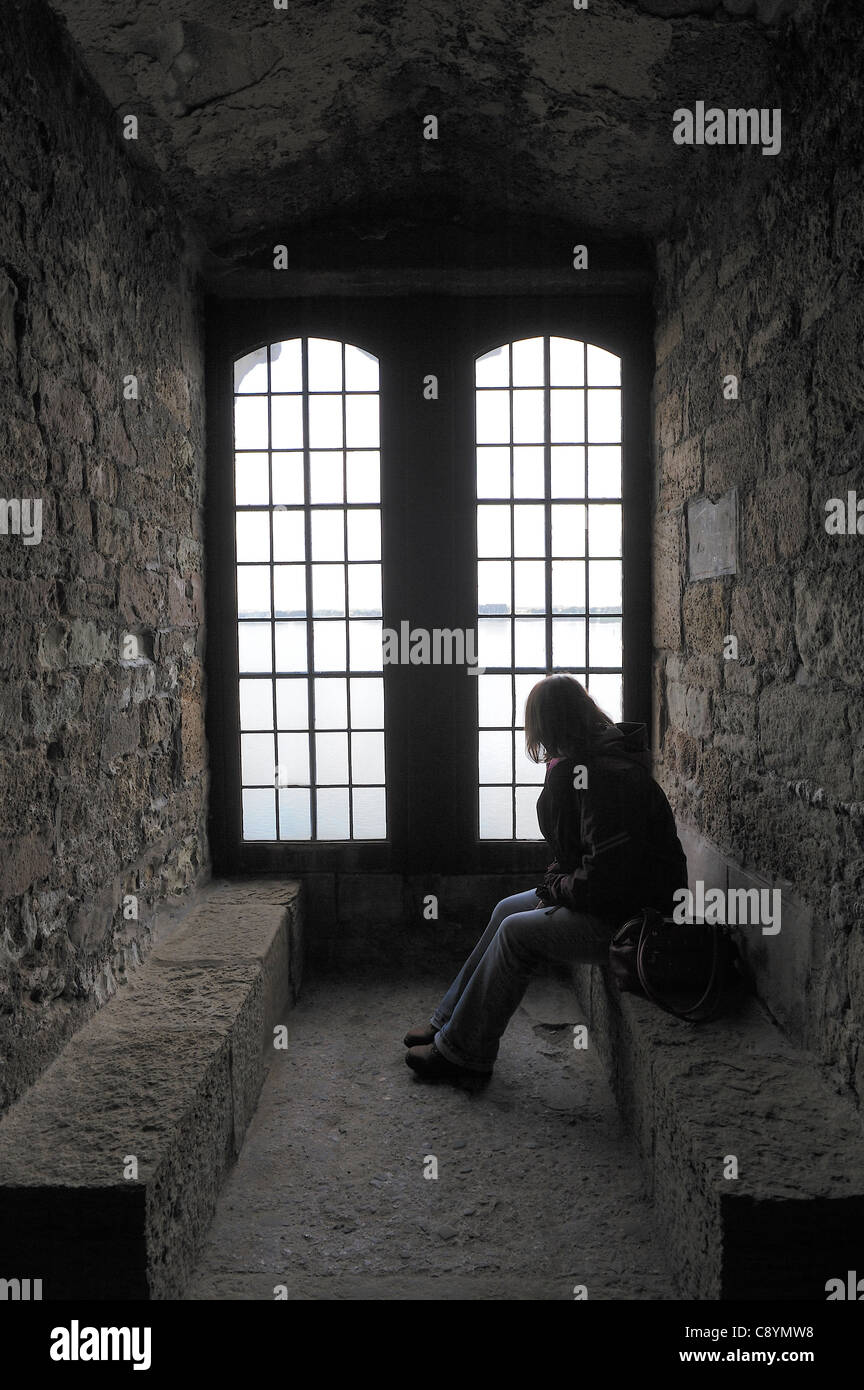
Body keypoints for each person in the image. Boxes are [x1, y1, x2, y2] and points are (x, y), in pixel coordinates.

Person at [403, 673, 688, 1082]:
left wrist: (556, 889)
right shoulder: (590, 763)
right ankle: (446, 1022)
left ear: (550, 727)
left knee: (518, 932)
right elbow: (582, 855)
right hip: (619, 904)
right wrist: (557, 885)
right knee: (508, 909)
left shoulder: (605, 778)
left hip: (635, 923)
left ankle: (464, 1055)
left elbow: (601, 882)